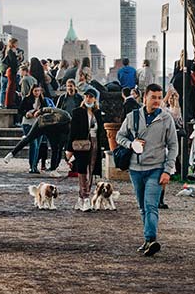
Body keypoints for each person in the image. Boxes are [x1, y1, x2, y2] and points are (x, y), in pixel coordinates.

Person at [115, 83, 178, 257]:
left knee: (151, 205)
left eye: (159, 97)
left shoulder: (166, 119)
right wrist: (131, 144)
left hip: (156, 168)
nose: (157, 101)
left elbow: (173, 146)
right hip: (135, 169)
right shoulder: (132, 116)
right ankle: (147, 240)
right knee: (142, 206)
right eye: (153, 97)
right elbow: (119, 136)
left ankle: (151, 238)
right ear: (145, 98)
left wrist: (167, 170)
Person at [68, 87, 108, 209]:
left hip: (94, 143)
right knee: (82, 170)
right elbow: (72, 131)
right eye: (86, 96)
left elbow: (102, 131)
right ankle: (85, 197)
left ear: (95, 99)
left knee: (91, 169)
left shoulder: (98, 113)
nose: (88, 98)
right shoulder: (77, 112)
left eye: (90, 96)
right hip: (81, 144)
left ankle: (83, 197)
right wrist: (69, 149)